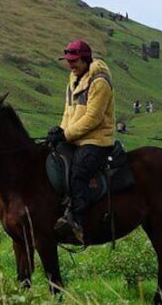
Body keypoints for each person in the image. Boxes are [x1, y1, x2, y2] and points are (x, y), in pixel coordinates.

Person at [46, 40, 115, 245]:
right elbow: (69, 112)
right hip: (75, 137)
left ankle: (77, 221)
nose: (70, 65)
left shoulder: (100, 82)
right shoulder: (74, 79)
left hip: (97, 140)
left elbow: (93, 118)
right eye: (68, 61)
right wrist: (59, 131)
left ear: (85, 59)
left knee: (79, 171)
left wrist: (66, 135)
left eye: (74, 61)